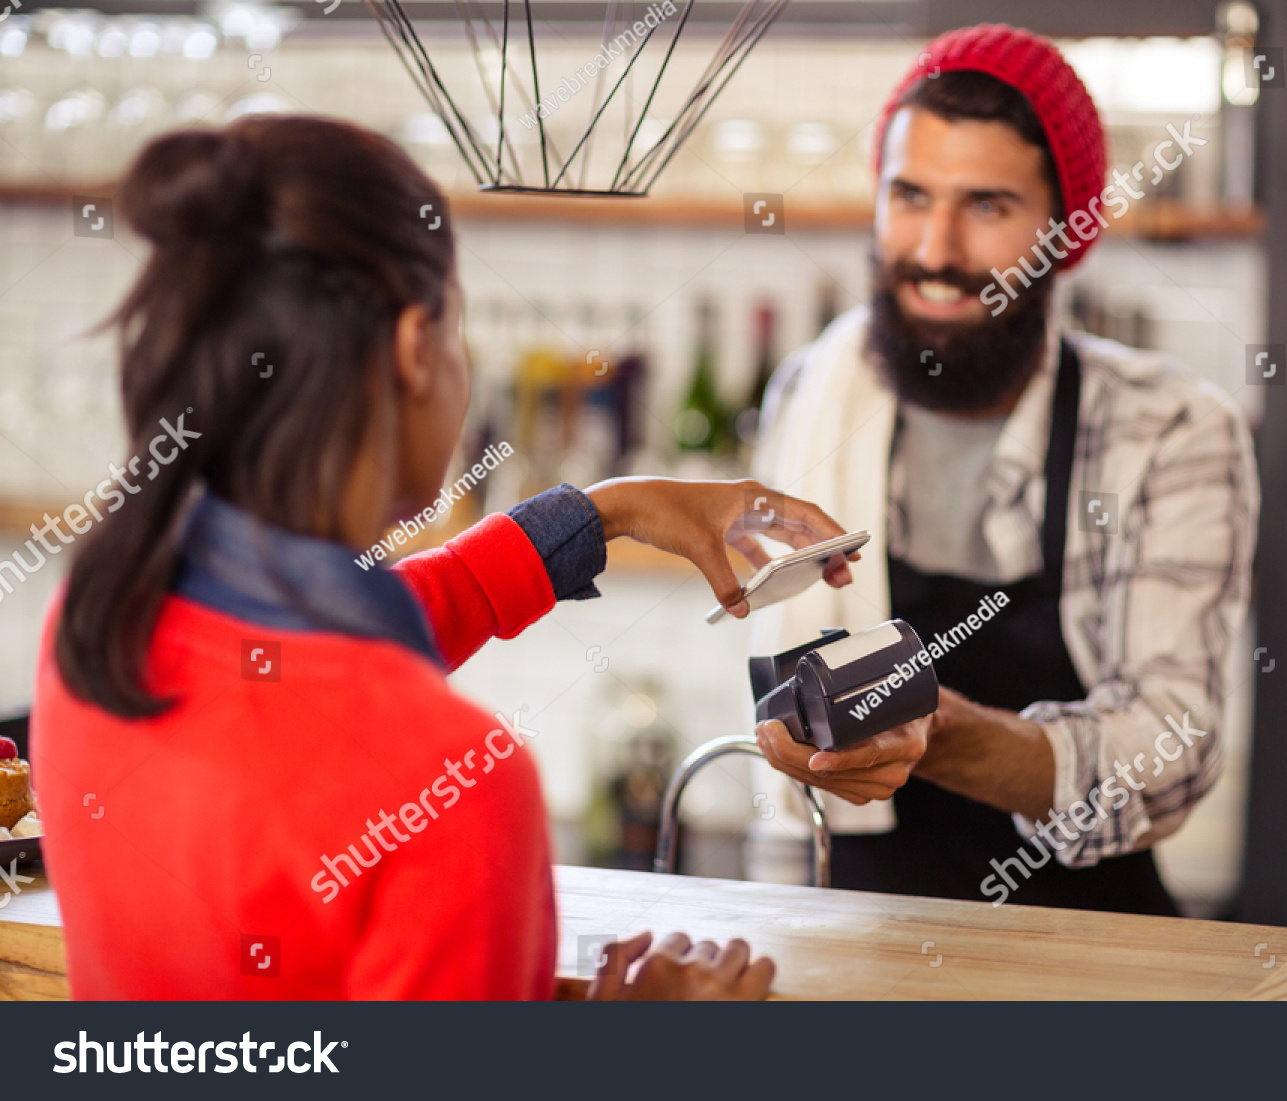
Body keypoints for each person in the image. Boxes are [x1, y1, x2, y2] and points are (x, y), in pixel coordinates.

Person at [30, 116, 858, 999]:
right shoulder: (451, 784)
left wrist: (605, 512)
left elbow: (331, 657)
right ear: (414, 349)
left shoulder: (95, 626)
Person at [750, 24, 1260, 915]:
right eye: (909, 195)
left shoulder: (1170, 429)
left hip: (1088, 961)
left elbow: (1173, 748)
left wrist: (937, 735)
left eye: (986, 206)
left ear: (1066, 232)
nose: (936, 249)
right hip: (857, 939)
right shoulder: (809, 396)